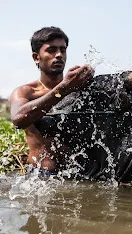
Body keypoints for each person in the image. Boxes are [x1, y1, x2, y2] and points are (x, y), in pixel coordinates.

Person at [9, 26, 95, 173]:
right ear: (36, 57)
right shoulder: (26, 92)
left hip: (80, 175)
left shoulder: (78, 90)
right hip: (42, 178)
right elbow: (19, 119)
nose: (59, 55)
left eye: (63, 50)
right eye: (51, 50)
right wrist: (64, 88)